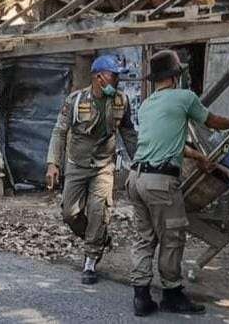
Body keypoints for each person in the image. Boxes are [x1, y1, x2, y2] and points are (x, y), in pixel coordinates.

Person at [128, 50, 229, 316]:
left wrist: (198, 156)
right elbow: (213, 122)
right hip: (160, 182)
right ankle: (172, 294)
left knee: (144, 238)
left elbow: (169, 142)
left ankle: (141, 296)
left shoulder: (149, 104)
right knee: (172, 237)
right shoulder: (185, 98)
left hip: (135, 179)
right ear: (175, 76)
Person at [46, 53, 137, 285]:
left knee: (99, 211)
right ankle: (99, 238)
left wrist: (139, 162)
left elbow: (128, 133)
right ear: (99, 78)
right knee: (70, 213)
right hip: (76, 165)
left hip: (104, 167)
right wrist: (53, 164)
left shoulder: (121, 101)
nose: (117, 81)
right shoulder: (75, 101)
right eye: (114, 77)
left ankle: (90, 260)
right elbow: (59, 131)